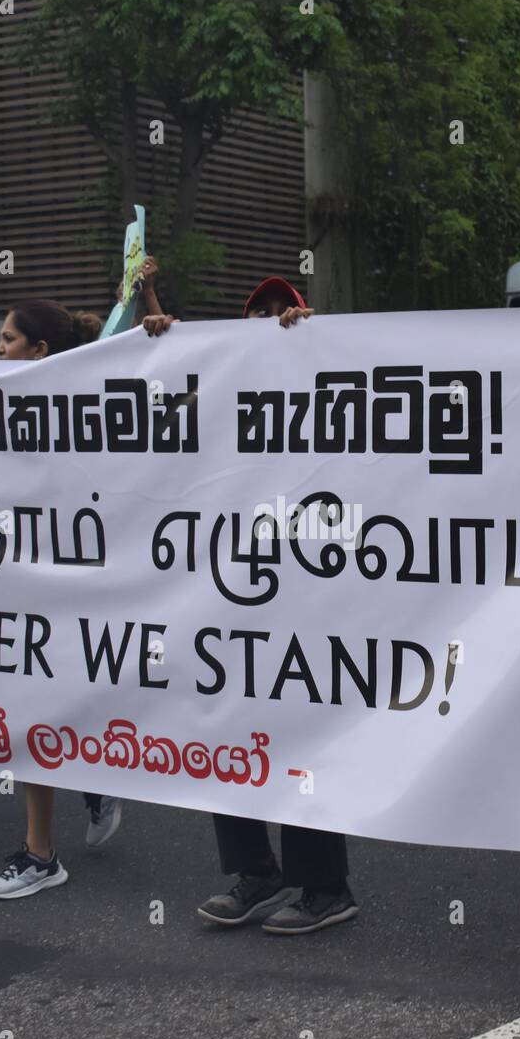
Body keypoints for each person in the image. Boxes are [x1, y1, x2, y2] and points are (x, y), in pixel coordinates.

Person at [144, 277, 357, 934]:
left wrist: (319, 338)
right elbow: (168, 405)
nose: (270, 324)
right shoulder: (225, 401)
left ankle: (325, 887)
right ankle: (256, 872)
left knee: (298, 740)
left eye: (280, 314)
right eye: (255, 317)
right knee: (229, 731)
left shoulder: (328, 387)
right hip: (234, 595)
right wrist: (160, 334)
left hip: (311, 597)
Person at [0, 296, 121, 898]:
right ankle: (43, 849)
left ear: (40, 352)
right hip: (21, 584)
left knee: (64, 698)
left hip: (82, 582)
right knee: (32, 703)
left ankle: (78, 801)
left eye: (8, 339)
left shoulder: (86, 401)